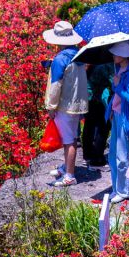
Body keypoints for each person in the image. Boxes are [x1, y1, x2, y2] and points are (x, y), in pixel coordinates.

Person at [42, 21, 89, 187]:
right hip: (77, 103)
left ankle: (70, 175)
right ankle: (66, 167)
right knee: (71, 137)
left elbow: (56, 85)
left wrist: (51, 106)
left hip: (64, 105)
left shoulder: (60, 59)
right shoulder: (79, 55)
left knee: (69, 140)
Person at [106, 42, 129, 203]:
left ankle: (125, 190)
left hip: (125, 116)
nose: (113, 55)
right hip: (117, 114)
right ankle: (117, 187)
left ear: (123, 55)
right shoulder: (119, 70)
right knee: (113, 154)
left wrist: (117, 87)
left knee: (123, 155)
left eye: (116, 53)